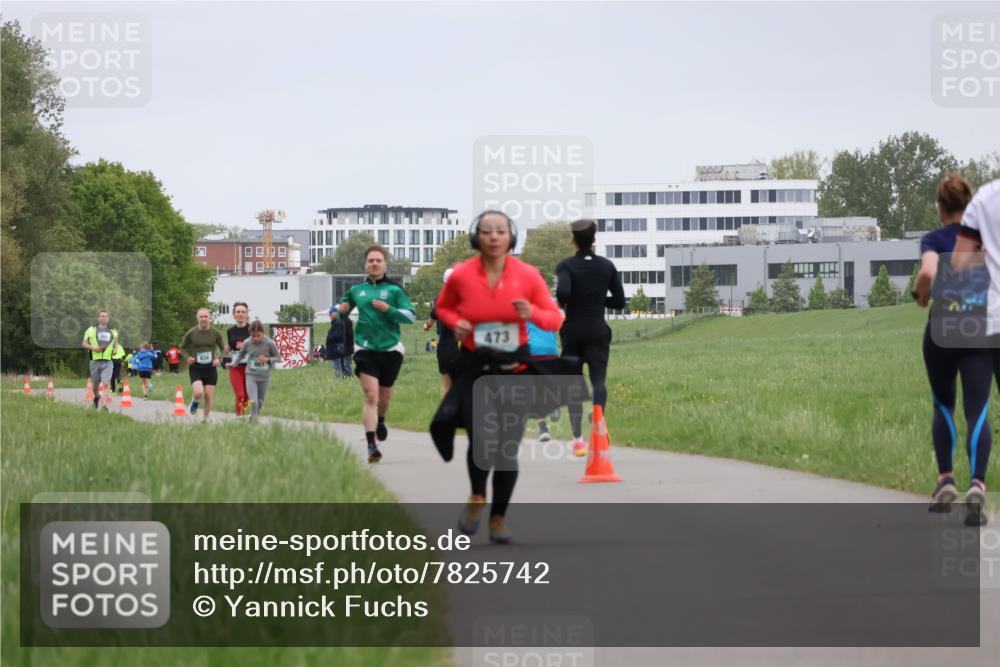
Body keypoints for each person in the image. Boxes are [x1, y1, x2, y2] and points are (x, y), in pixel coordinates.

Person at [431, 211, 566, 544]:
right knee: (481, 440)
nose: (493, 237)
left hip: (514, 369)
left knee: (506, 447)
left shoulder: (528, 275)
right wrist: (456, 322)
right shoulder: (462, 275)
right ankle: (478, 497)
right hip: (477, 367)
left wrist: (531, 313)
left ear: (511, 237)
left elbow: (554, 319)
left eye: (500, 231)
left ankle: (499, 519)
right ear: (477, 237)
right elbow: (442, 308)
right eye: (487, 231)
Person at [950, 177, 1000, 525]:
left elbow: (960, 261)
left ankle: (978, 485)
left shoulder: (984, 198)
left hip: (990, 319)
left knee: (979, 407)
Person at [555, 219, 626, 456]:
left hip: (573, 330)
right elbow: (619, 302)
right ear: (594, 240)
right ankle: (598, 417)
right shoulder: (607, 266)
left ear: (573, 240)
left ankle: (577, 439)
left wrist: (571, 300)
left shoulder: (565, 266)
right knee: (598, 380)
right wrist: (596, 299)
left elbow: (563, 293)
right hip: (597, 329)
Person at [339, 245, 416, 462]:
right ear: (366, 264)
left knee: (385, 396)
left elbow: (410, 316)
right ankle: (372, 445)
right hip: (365, 348)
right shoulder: (357, 290)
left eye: (378, 260)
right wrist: (342, 312)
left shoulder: (395, 291)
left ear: (385, 264)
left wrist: (389, 310)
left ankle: (381, 419)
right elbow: (338, 311)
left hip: (390, 349)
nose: (374, 263)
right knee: (371, 395)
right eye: (371, 260)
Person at [179, 307, 226, 421]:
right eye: (201, 317)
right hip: (196, 367)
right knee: (199, 392)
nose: (204, 319)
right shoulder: (191, 333)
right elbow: (182, 348)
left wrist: (219, 359)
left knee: (209, 396)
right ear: (197, 318)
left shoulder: (216, 333)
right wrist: (187, 358)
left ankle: (204, 420)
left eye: (206, 316)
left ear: (209, 318)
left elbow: (223, 349)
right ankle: (195, 402)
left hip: (210, 368)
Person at [231, 320, 281, 421]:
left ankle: (253, 415)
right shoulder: (247, 342)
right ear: (250, 334)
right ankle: (254, 421)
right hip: (251, 375)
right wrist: (233, 364)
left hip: (264, 377)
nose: (256, 338)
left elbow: (278, 357)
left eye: (258, 335)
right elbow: (241, 354)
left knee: (260, 402)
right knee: (254, 401)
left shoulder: (270, 343)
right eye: (253, 336)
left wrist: (268, 360)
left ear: (263, 332)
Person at [423, 267, 463, 394]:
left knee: (447, 386)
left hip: (446, 346)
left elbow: (429, 322)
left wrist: (427, 326)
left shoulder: (440, 301)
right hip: (465, 346)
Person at [527, 313, 561, 443]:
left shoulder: (522, 306)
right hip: (550, 351)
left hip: (532, 352)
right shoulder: (550, 305)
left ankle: (543, 429)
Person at [81, 308, 120, 410]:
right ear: (98, 318)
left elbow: (116, 344)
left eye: (105, 316)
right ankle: (97, 397)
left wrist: (115, 350)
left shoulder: (113, 331)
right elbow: (84, 343)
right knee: (95, 385)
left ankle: (104, 406)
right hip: (95, 361)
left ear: (108, 318)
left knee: (106, 384)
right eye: (102, 316)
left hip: (108, 362)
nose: (104, 318)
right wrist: (93, 348)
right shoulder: (91, 330)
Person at [224, 302, 251, 416]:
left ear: (247, 314)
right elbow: (231, 347)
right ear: (234, 315)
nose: (240, 314)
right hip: (236, 367)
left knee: (247, 396)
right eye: (238, 312)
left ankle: (243, 415)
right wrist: (227, 349)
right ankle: (239, 418)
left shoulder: (253, 329)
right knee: (240, 395)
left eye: (243, 312)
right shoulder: (230, 331)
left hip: (250, 367)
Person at [326, 307, 353, 379]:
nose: (329, 315)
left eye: (330, 313)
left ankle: (346, 379)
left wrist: (329, 336)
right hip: (342, 347)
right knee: (343, 365)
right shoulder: (339, 321)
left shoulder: (340, 322)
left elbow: (340, 335)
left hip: (342, 348)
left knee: (344, 366)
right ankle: (346, 379)